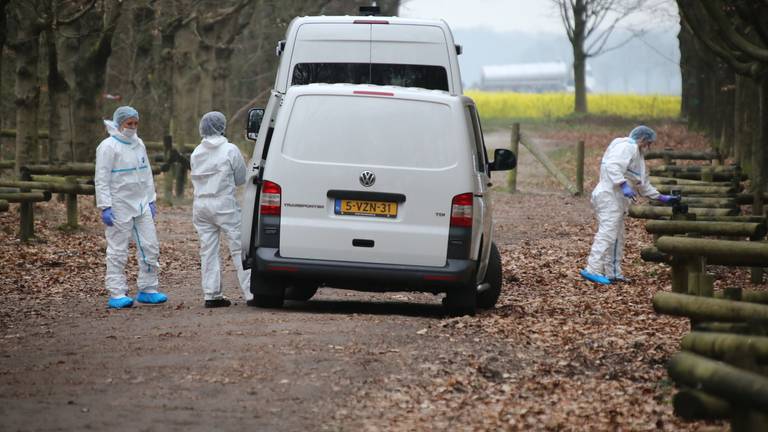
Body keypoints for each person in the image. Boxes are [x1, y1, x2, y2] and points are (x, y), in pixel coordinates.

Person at [580, 125, 679, 285]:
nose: (649, 147)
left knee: (617, 237)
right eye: (649, 143)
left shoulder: (637, 156)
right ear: (643, 139)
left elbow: (642, 185)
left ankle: (613, 273)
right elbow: (612, 166)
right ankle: (592, 268)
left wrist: (662, 197)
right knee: (607, 233)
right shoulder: (627, 146)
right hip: (609, 196)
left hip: (616, 199)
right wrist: (623, 184)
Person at [95, 106, 168, 308]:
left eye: (136, 123)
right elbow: (101, 178)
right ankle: (117, 292)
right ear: (120, 124)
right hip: (119, 204)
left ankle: (148, 288)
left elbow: (146, 174)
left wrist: (151, 199)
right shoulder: (108, 147)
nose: (133, 127)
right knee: (118, 250)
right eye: (129, 124)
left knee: (150, 246)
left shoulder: (139, 144)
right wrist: (105, 205)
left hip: (141, 203)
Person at [191, 111, 253, 308]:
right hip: (224, 204)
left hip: (201, 206)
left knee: (208, 250)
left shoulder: (196, 152)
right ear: (222, 127)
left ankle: (211, 295)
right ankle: (252, 292)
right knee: (238, 248)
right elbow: (242, 178)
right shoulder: (230, 149)